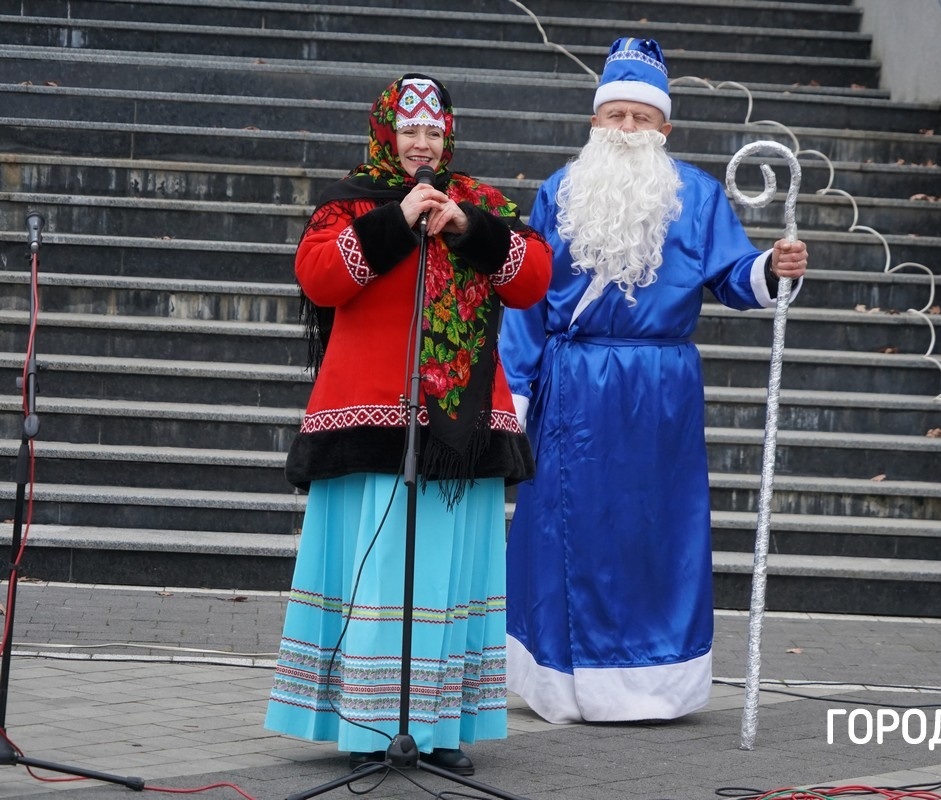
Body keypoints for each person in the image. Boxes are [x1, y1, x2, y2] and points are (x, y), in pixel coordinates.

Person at [498, 37, 809, 725]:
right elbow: (524, 296)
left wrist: (771, 267)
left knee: (655, 529)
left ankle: (652, 681)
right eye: (617, 117)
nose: (630, 130)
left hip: (657, 394)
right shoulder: (560, 192)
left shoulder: (695, 196)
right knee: (560, 528)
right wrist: (513, 393)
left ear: (665, 127)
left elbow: (732, 276)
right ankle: (560, 682)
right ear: (595, 124)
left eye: (643, 118)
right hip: (573, 386)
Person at [264, 74, 551, 776]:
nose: (422, 142)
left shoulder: (478, 202)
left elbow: (534, 279)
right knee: (381, 576)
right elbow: (318, 278)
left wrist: (465, 227)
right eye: (409, 128)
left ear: (447, 134)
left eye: (433, 129)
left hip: (460, 425)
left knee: (450, 577)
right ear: (385, 132)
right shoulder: (350, 203)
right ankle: (367, 725)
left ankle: (442, 721)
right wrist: (395, 222)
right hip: (369, 419)